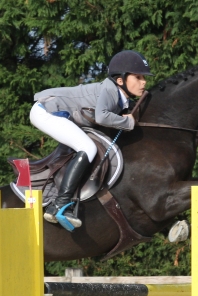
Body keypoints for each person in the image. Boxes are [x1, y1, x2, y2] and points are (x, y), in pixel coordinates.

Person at [31, 50, 151, 231]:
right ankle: (60, 204)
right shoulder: (109, 90)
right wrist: (127, 122)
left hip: (57, 113)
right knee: (87, 147)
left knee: (87, 146)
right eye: (138, 77)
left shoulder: (121, 98)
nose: (144, 82)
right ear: (120, 80)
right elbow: (102, 117)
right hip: (45, 111)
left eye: (144, 77)